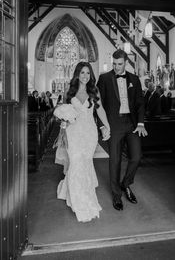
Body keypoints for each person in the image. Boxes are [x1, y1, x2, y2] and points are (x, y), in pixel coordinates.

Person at [55, 62, 110, 222]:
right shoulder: (70, 91)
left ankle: (83, 192)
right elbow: (64, 114)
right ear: (77, 74)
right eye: (82, 72)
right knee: (76, 162)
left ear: (90, 75)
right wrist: (63, 130)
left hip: (90, 133)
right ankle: (78, 199)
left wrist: (107, 126)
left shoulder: (94, 90)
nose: (85, 76)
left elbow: (100, 110)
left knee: (85, 163)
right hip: (73, 132)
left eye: (88, 73)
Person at [97, 49, 147, 211]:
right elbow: (99, 104)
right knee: (115, 160)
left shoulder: (134, 79)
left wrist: (140, 123)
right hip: (114, 124)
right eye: (114, 64)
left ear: (126, 62)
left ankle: (126, 184)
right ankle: (117, 195)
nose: (117, 67)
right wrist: (103, 125)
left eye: (120, 64)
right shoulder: (104, 78)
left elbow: (140, 103)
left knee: (137, 157)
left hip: (131, 124)